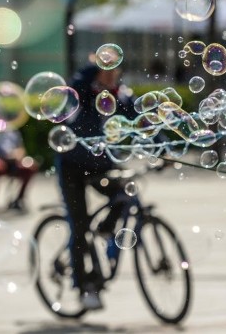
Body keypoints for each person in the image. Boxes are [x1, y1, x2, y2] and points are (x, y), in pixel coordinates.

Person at [56, 64, 136, 311]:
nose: (113, 75)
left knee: (126, 194)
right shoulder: (81, 89)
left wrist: (166, 147)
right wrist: (92, 83)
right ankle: (83, 285)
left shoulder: (120, 95)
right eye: (107, 70)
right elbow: (82, 121)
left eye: (117, 71)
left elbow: (141, 123)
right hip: (72, 166)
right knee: (79, 227)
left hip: (100, 166)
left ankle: (105, 227)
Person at [0, 128, 36, 213]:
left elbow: (20, 149)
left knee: (29, 169)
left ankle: (19, 199)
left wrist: (17, 155)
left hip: (13, 161)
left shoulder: (14, 132)